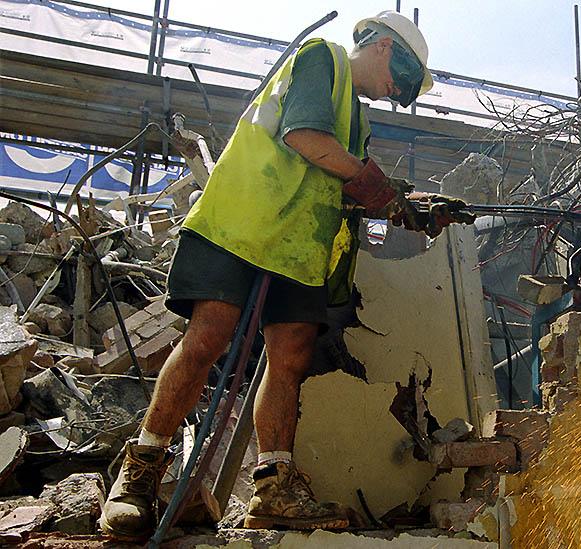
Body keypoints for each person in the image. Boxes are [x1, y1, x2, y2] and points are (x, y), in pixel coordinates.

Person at [99, 11, 472, 541]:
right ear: (386, 47)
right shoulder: (324, 60)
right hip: (243, 224)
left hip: (298, 246)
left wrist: (408, 205)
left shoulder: (357, 118)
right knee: (207, 338)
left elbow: (347, 181)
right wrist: (380, 189)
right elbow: (304, 136)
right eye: (404, 81)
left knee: (290, 359)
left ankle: (273, 488)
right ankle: (138, 477)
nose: (399, 95)